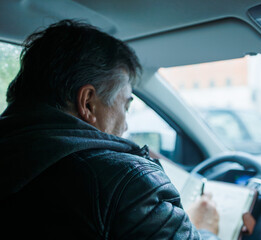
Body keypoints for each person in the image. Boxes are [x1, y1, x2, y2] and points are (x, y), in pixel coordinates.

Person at [0, 20, 219, 239]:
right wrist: (204, 227)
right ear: (87, 103)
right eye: (125, 105)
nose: (125, 125)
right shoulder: (129, 184)